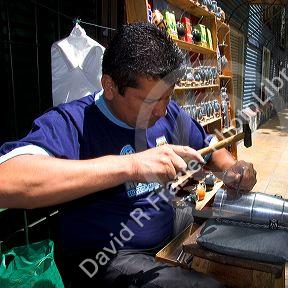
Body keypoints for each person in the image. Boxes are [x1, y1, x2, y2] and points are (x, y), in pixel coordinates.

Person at [0, 23, 257, 287]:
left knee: (243, 231)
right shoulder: (73, 122)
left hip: (165, 224)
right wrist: (131, 165)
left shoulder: (168, 113)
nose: (160, 111)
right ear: (110, 86)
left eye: (167, 96)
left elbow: (210, 147)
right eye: (148, 101)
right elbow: (6, 181)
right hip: (106, 256)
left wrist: (233, 168)